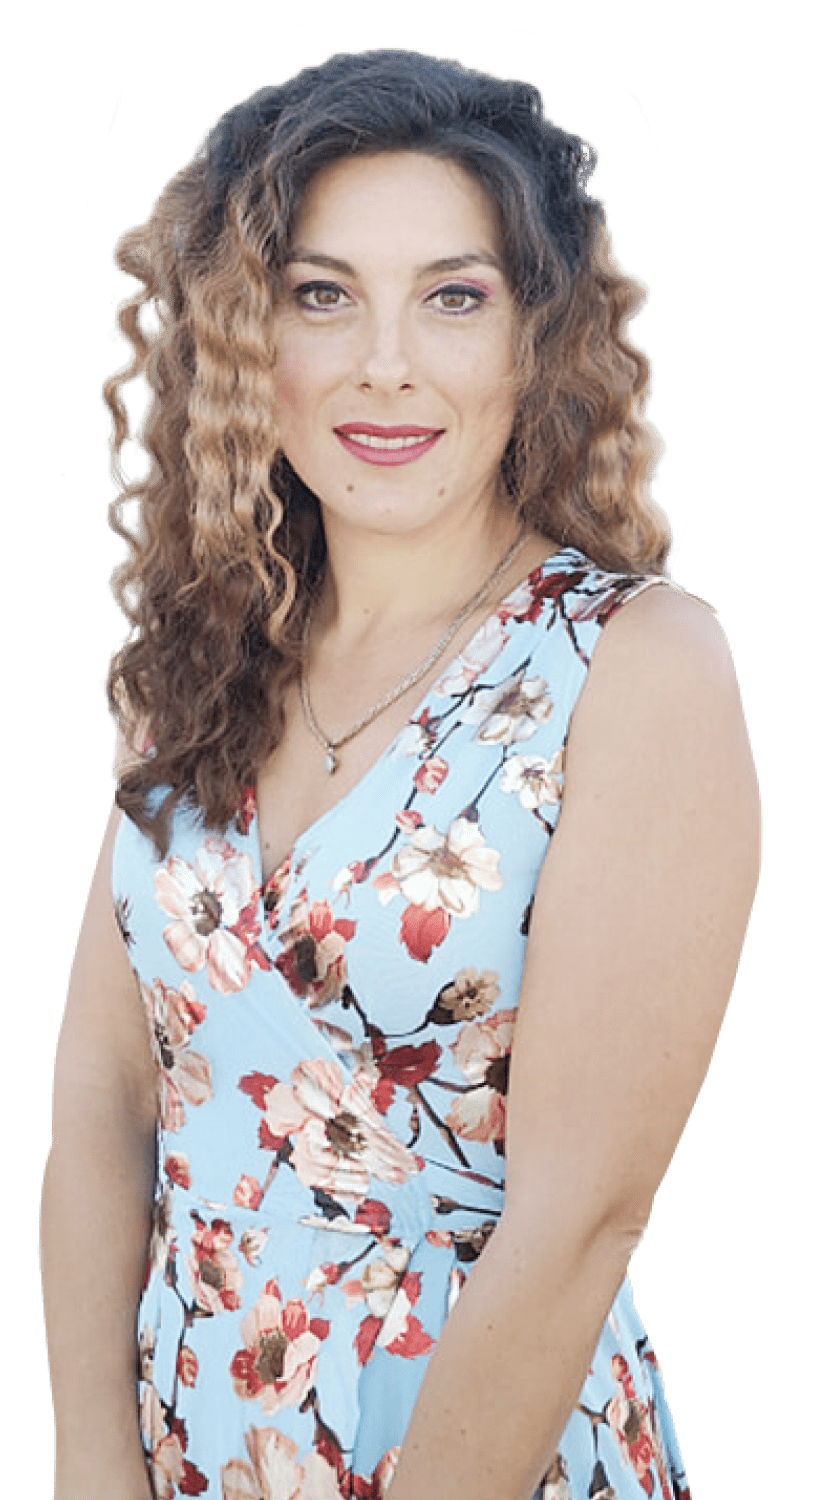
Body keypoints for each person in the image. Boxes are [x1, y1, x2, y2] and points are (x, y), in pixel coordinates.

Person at [39, 46, 762, 1500]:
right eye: (323, 296)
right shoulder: (182, 669)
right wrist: (92, 1462)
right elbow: (107, 1096)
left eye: (453, 297)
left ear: (536, 338)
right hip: (188, 1450)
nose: (386, 364)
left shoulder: (637, 668)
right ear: (245, 339)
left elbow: (581, 1218)